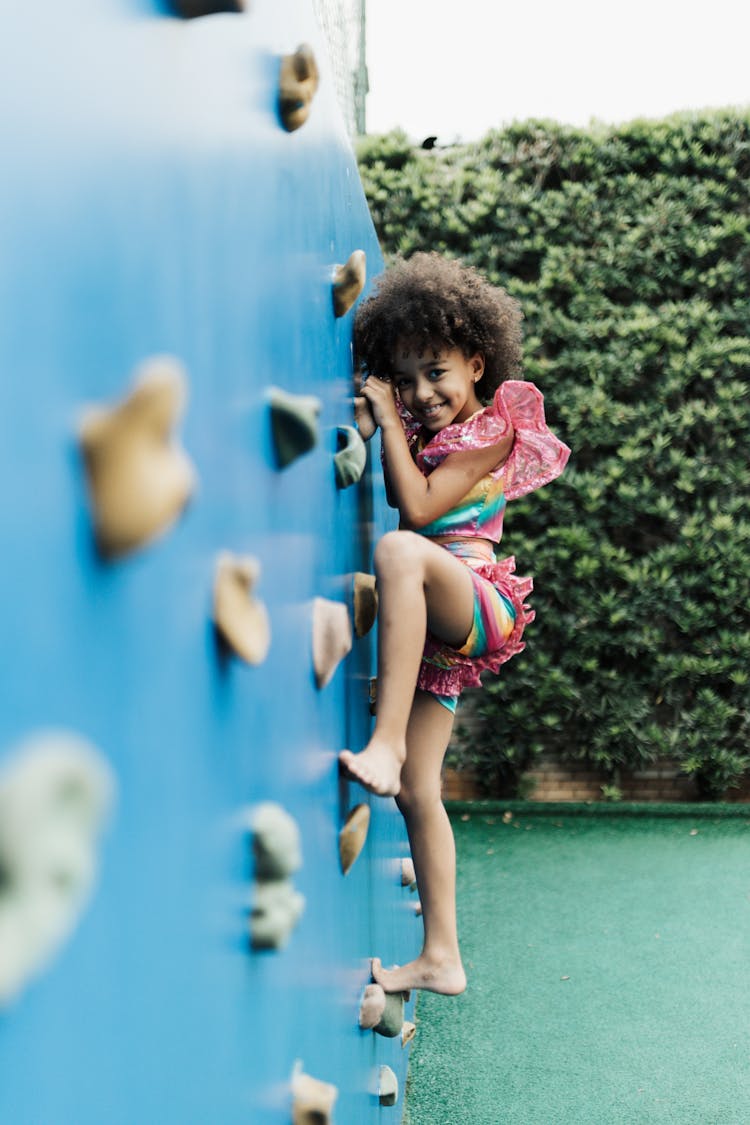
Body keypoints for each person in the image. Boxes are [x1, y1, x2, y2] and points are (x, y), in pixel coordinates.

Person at [339, 253, 570, 995]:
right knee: (415, 790)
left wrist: (388, 427)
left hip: (473, 595)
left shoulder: (495, 431)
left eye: (436, 372)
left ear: (477, 363)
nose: (421, 392)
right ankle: (443, 954)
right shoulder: (423, 415)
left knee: (400, 551)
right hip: (434, 625)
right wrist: (379, 412)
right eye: (404, 378)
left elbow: (420, 509)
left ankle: (385, 737)